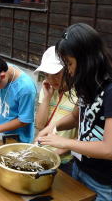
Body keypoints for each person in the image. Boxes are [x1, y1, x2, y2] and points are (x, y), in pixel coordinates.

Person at [37, 23, 112, 200]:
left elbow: (110, 149)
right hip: (80, 166)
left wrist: (63, 142)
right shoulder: (86, 82)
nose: (69, 70)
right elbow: (76, 117)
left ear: (87, 58)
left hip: (103, 179)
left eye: (69, 63)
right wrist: (52, 127)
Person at [34, 46, 77, 174]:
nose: (52, 80)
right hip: (43, 152)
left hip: (66, 159)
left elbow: (82, 136)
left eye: (57, 74)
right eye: (47, 75)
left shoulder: (79, 94)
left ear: (68, 69)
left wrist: (58, 152)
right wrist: (47, 97)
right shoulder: (48, 89)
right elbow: (40, 125)